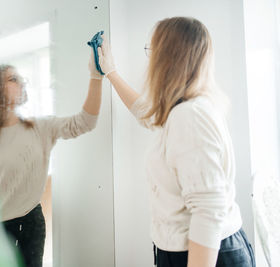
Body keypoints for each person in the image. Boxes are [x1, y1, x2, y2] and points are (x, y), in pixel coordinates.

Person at [97, 17, 255, 267]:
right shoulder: (186, 110)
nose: (149, 61)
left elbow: (208, 212)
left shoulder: (189, 116)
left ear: (168, 58)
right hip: (200, 250)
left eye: (152, 50)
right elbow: (147, 113)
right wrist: (111, 72)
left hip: (203, 254)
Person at [0, 51, 103, 267]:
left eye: (21, 78)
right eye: (12, 79)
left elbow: (86, 122)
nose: (22, 82)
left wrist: (96, 77)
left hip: (31, 222)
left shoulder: (41, 127)